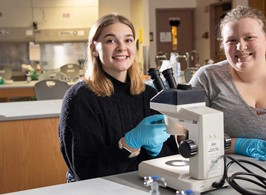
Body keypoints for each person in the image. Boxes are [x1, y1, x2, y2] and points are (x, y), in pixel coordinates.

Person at [59, 13, 178, 182]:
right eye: (110, 40)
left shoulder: (149, 95)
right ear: (94, 49)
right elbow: (84, 171)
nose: (122, 47)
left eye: (128, 40)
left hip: (144, 187)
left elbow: (173, 158)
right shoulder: (80, 98)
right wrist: (128, 145)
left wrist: (158, 151)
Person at [189, 6, 266, 161]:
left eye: (249, 38)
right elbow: (186, 137)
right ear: (223, 46)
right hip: (224, 175)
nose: (240, 47)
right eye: (232, 40)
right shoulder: (208, 78)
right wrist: (237, 145)